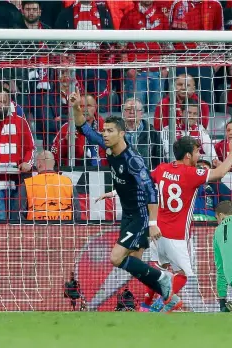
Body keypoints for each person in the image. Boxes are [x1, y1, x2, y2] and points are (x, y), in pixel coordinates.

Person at [70, 89, 178, 311]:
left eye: (110, 131)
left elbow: (150, 191)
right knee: (135, 265)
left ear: (121, 134)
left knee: (116, 258)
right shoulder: (110, 149)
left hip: (139, 215)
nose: (105, 134)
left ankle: (163, 276)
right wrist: (75, 107)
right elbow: (84, 129)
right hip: (129, 212)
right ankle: (170, 297)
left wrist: (153, 223)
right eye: (105, 130)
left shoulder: (133, 161)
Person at [147, 136, 232, 313]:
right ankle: (161, 304)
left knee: (161, 272)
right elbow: (219, 173)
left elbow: (143, 182)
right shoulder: (190, 174)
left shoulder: (162, 168)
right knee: (183, 275)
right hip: (177, 235)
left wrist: (114, 192)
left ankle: (145, 304)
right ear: (188, 155)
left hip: (157, 231)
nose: (199, 156)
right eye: (197, 152)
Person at [18, 150, 80, 221]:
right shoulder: (68, 182)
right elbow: (77, 214)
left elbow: (18, 216)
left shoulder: (28, 184)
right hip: (63, 230)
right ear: (53, 164)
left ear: (38, 164)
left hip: (36, 230)